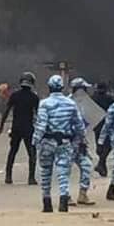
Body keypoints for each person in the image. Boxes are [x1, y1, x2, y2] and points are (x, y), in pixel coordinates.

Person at [33, 74, 85, 213]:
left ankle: (47, 202)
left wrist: (35, 141)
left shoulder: (44, 104)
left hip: (47, 142)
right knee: (63, 173)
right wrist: (81, 140)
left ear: (49, 87)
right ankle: (63, 201)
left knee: (46, 173)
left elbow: (41, 125)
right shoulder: (71, 103)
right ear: (62, 88)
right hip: (64, 142)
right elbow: (79, 125)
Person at [0, 72, 39, 185]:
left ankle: (8, 176)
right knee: (32, 153)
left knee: (13, 151)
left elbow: (6, 111)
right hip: (28, 128)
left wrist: (1, 125)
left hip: (16, 127)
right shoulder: (34, 97)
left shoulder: (15, 95)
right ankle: (31, 178)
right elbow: (39, 114)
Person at [69, 77, 96, 206]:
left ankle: (83, 194)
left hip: (79, 143)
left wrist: (83, 142)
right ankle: (66, 196)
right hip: (67, 143)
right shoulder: (68, 103)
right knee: (65, 171)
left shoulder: (83, 104)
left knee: (87, 166)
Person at [92, 82, 114, 177]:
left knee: (100, 146)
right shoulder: (109, 98)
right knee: (108, 146)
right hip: (106, 125)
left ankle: (102, 166)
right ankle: (101, 163)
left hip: (96, 125)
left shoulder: (92, 98)